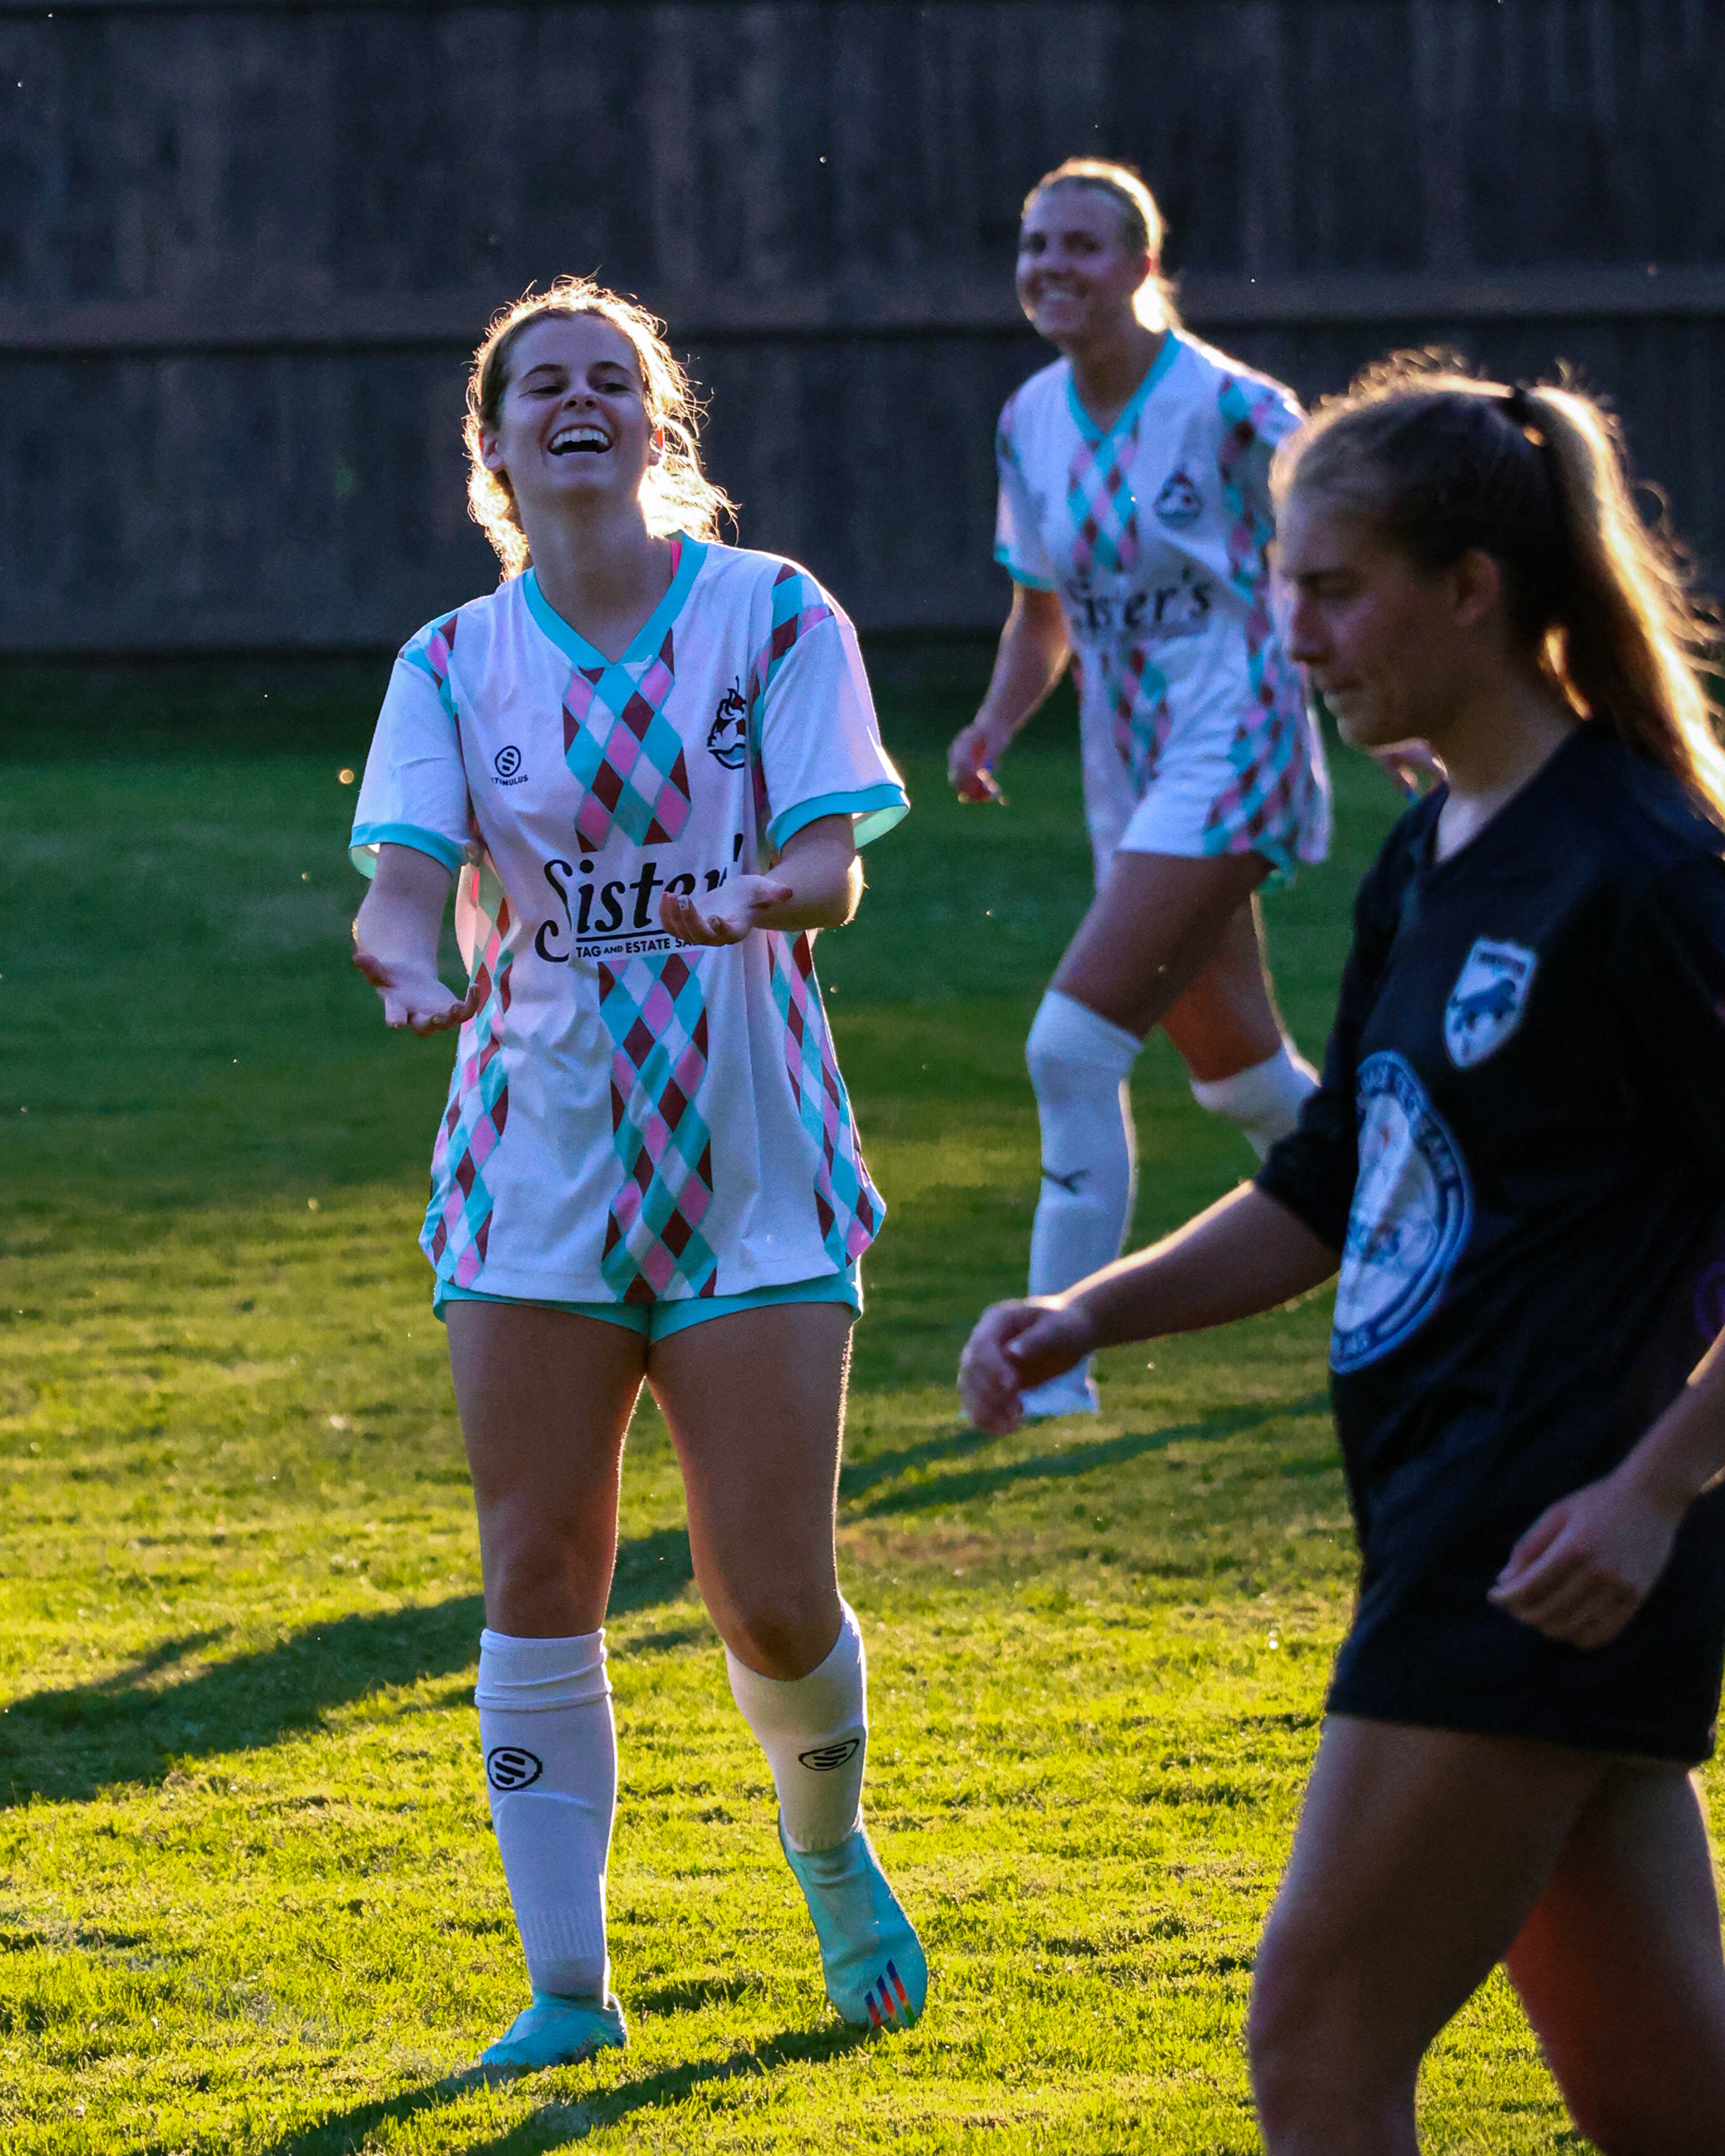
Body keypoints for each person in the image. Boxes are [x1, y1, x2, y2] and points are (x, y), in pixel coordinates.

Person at [960, 352, 1725, 2152]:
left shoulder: (1643, 870)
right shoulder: (1431, 853)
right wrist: (1088, 1313)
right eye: (1283, 584)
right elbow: (1326, 1185)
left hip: (1538, 1541)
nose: (1291, 631)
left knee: (1316, 2043)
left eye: (1332, 588)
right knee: (1669, 2101)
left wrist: (1653, 1492)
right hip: (1467, 1521)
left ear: (1473, 591)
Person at [347, 277, 925, 2073]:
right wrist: (403, 961)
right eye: (543, 386)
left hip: (754, 1162)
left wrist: (764, 893)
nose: (578, 402)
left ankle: (826, 1851)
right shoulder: (452, 662)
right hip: (535, 1167)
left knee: (771, 1591)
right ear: (494, 446)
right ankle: (563, 1992)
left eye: (613, 379)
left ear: (661, 425)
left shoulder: (773, 614)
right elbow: (401, 883)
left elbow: (830, 862)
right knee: (538, 1563)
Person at [947, 158, 1331, 1418]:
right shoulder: (1030, 419)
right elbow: (1042, 612)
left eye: (1081, 245)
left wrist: (1388, 706)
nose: (1051, 266)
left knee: (1069, 1046)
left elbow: (1343, 552)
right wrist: (995, 721)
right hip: (1132, 768)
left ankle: (1049, 1369)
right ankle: (1437, 1235)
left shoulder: (1235, 410)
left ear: (1143, 267)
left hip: (1239, 740)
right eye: (1034, 245)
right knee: (1242, 1075)